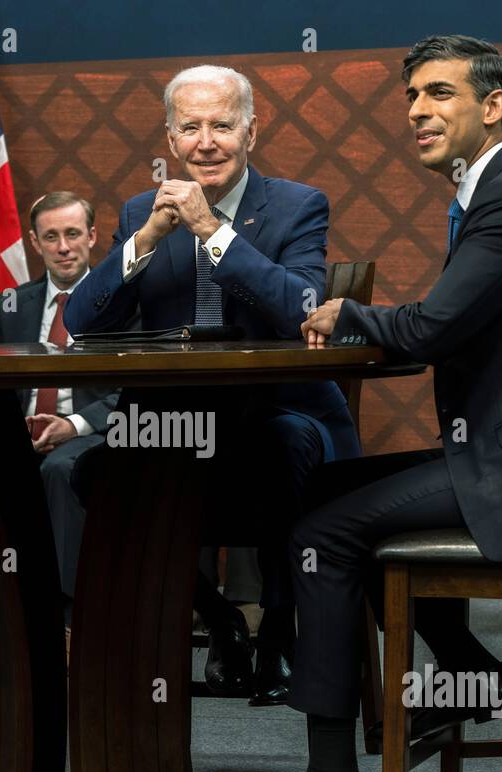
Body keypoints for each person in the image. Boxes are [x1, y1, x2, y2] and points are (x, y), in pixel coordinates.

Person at [204, 35, 502, 772]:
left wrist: (344, 315)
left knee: (320, 534)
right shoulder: (493, 190)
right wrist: (366, 321)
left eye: (439, 95)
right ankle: (472, 672)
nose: (418, 112)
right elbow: (445, 328)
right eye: (412, 98)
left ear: (492, 105)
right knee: (321, 491)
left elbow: (430, 328)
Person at [64, 64, 361, 706]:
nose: (206, 142)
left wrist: (214, 233)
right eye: (191, 128)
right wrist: (142, 242)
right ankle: (221, 619)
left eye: (222, 126)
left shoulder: (296, 205)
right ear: (170, 141)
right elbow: (82, 322)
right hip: (178, 422)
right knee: (94, 475)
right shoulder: (143, 210)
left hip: (274, 414)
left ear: (252, 130)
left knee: (286, 448)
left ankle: (279, 636)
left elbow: (301, 305)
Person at [0, 191, 119, 624]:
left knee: (59, 470)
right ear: (34, 241)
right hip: (20, 433)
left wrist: (74, 425)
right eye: (51, 237)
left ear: (93, 236)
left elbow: (133, 391)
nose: (63, 247)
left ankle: (64, 622)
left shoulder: (122, 301)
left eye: (72, 234)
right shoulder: (13, 304)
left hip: (93, 434)